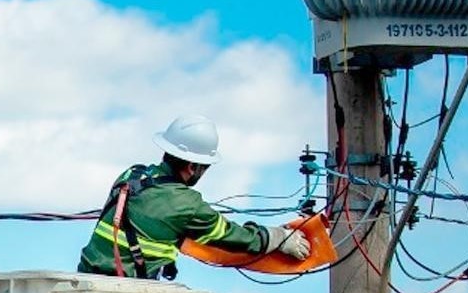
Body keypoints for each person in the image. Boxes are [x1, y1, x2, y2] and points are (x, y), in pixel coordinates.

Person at [78, 115, 310, 280]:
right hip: (127, 292)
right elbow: (236, 237)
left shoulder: (131, 174)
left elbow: (153, 219)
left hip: (86, 280)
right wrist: (279, 237)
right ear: (192, 166)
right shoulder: (187, 204)